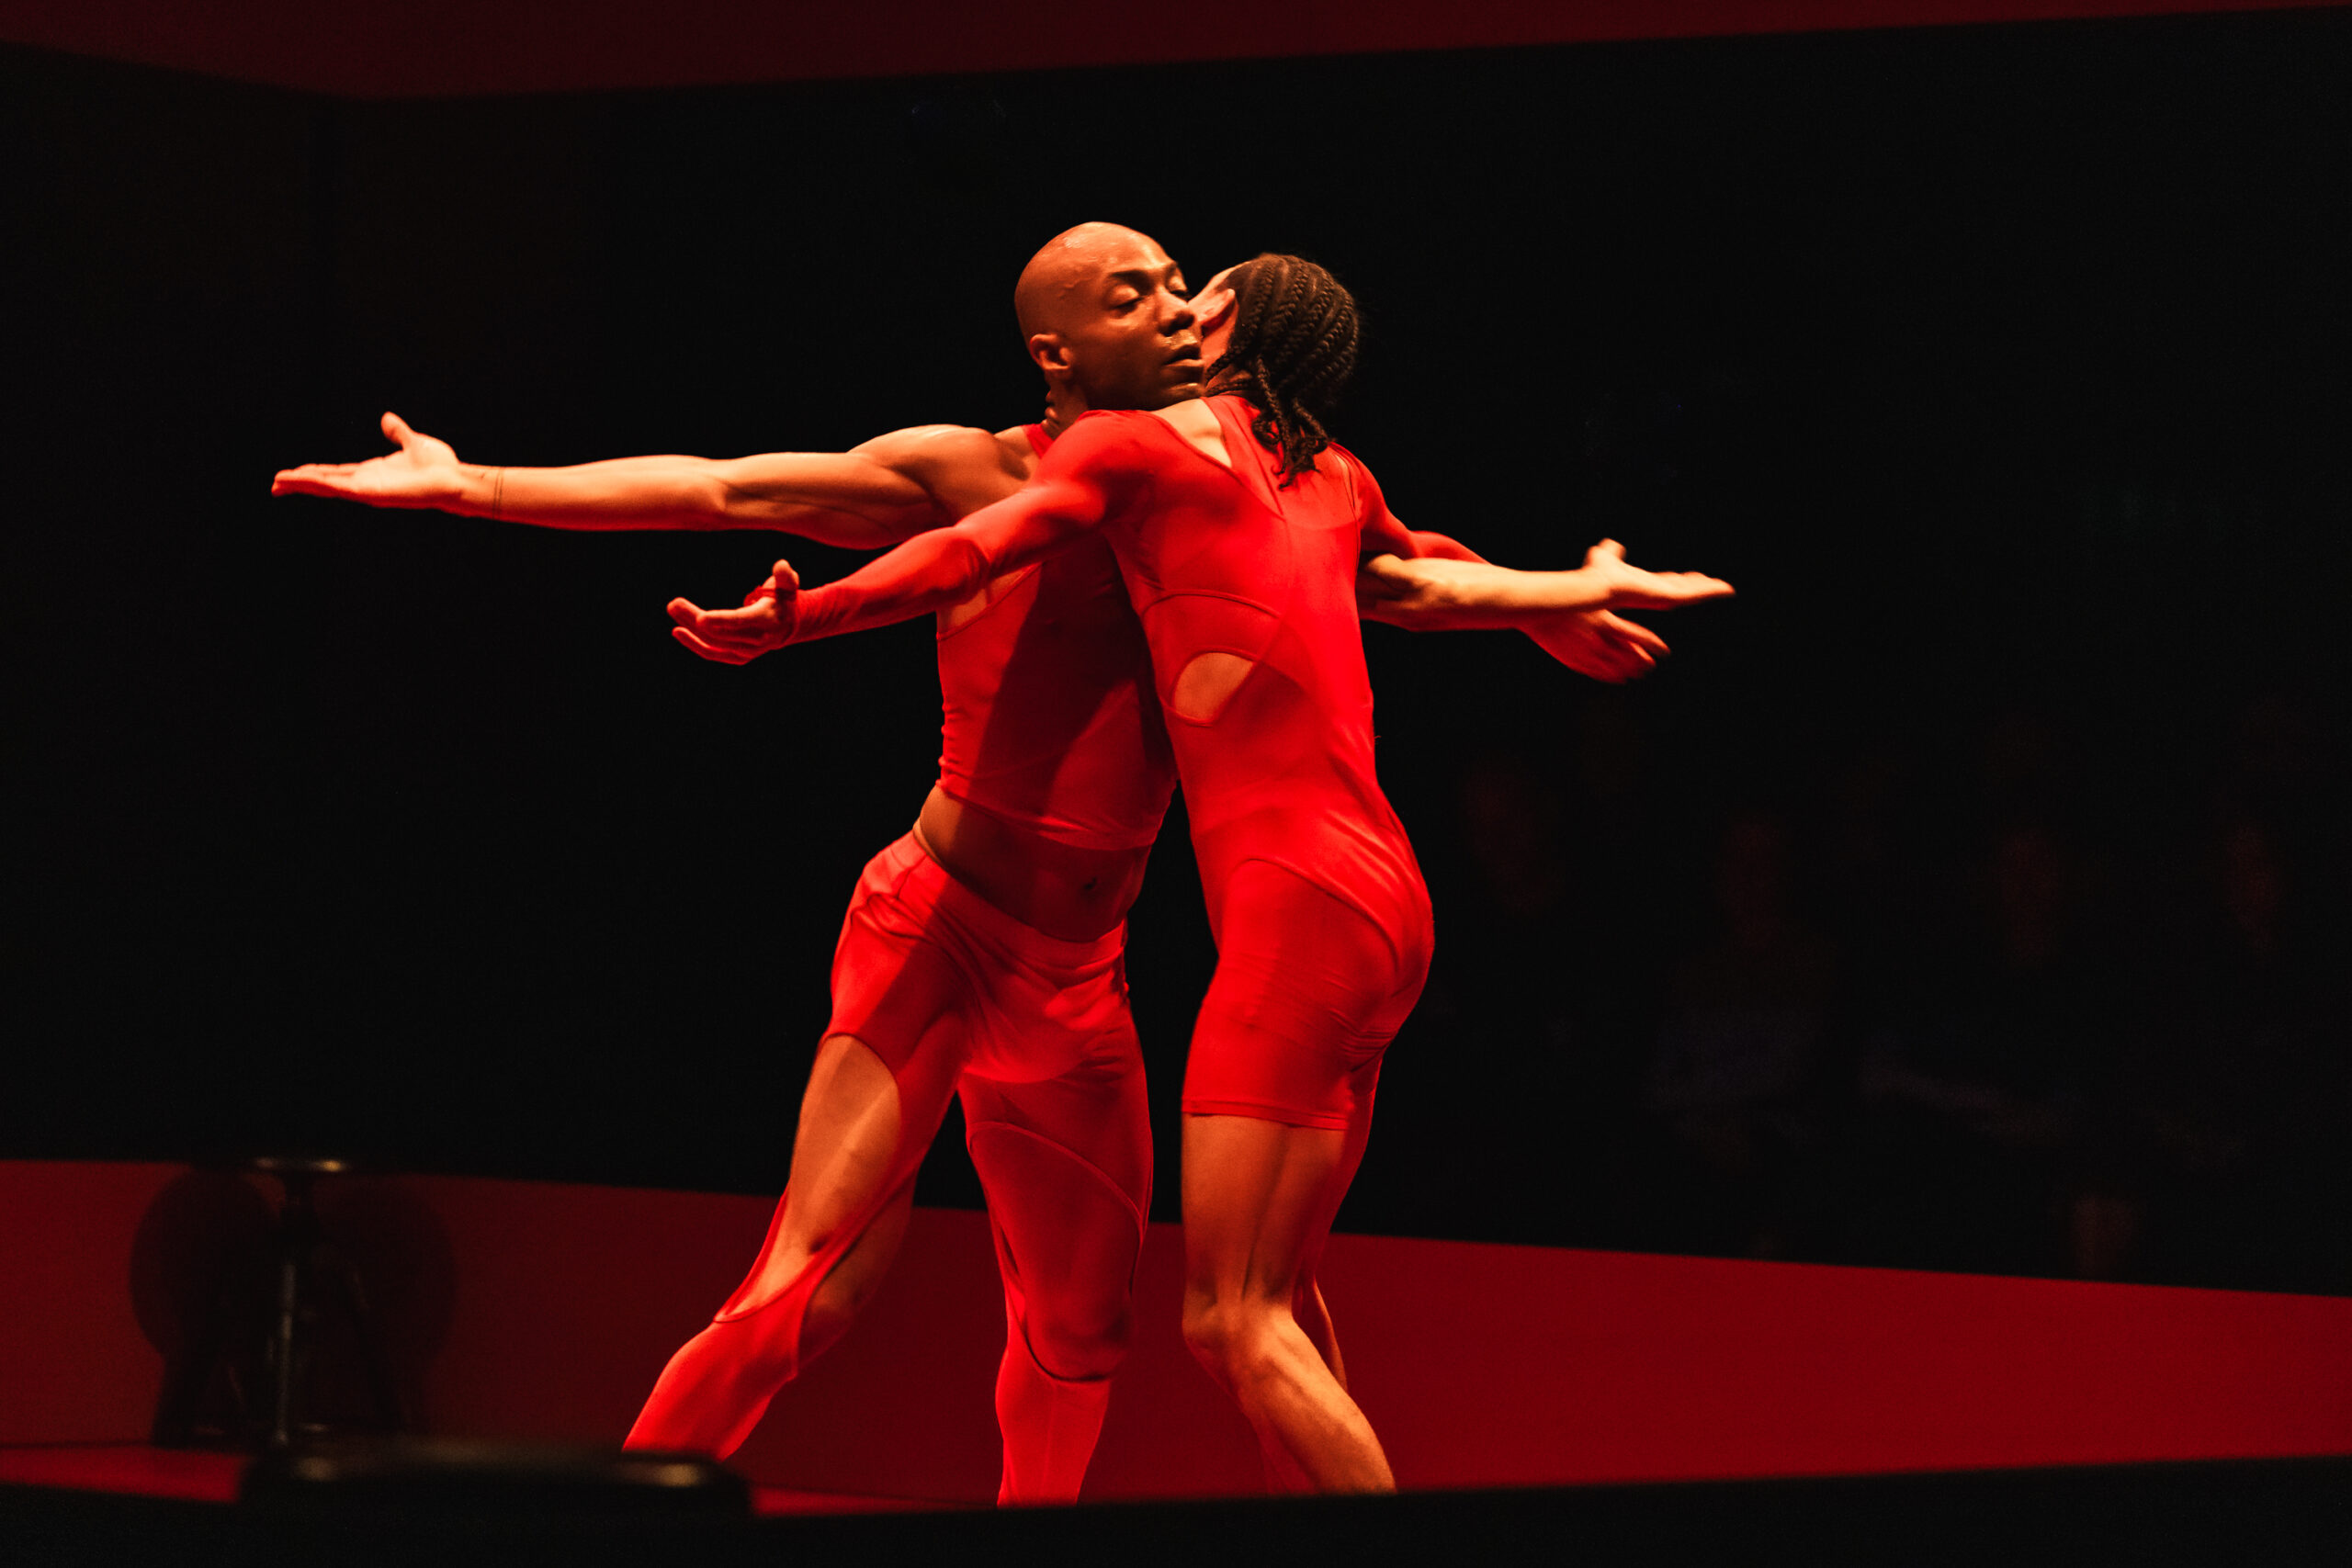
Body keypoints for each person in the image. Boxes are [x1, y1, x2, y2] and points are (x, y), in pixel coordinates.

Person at [271, 223, 1674, 1502]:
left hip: (1080, 977)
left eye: (1181, 284)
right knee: (804, 1293)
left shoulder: (1218, 483)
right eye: (1136, 293)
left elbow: (1401, 572)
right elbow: (725, 489)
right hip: (937, 926)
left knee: (1083, 1334)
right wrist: (474, 486)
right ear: (1058, 350)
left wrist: (1545, 603)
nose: (1176, 306)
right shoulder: (981, 471)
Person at [666, 249, 1733, 1491]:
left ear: (1220, 320)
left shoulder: (1146, 449)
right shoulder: (1328, 476)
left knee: (1235, 1321)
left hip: (1295, 917)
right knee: (1282, 1297)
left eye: (1185, 290)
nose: (1171, 309)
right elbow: (1417, 574)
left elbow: (970, 552)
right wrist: (1557, 596)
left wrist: (809, 617)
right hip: (1386, 906)